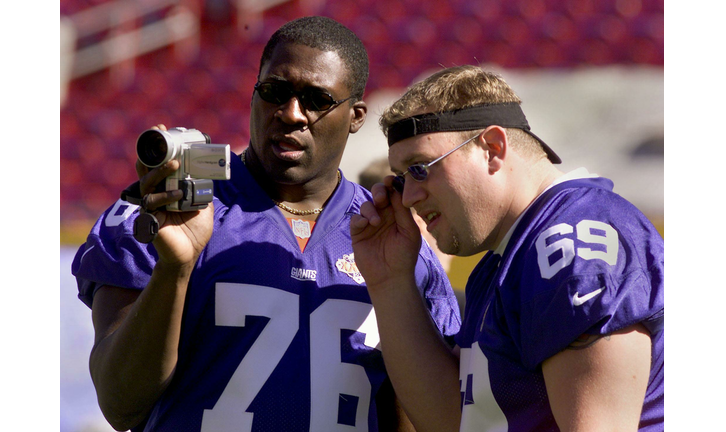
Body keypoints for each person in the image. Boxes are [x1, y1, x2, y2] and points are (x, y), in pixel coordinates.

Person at [71, 16, 460, 432]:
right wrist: (174, 269)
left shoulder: (394, 239)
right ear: (254, 94)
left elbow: (424, 417)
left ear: (356, 115)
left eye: (316, 99)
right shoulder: (166, 210)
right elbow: (120, 405)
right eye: (275, 92)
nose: (291, 114)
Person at [350, 65, 664, 432]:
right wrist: (390, 280)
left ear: (492, 149)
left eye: (420, 168)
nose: (409, 198)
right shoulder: (508, 254)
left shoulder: (571, 243)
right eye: (402, 180)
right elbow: (453, 423)